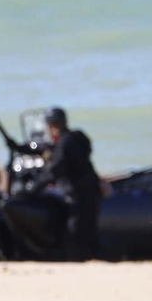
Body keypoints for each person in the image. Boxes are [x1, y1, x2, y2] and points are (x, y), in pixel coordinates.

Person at [42, 107, 109, 261]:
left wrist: (33, 188)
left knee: (76, 232)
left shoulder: (65, 144)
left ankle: (80, 260)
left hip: (78, 193)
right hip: (90, 189)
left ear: (51, 126)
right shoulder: (77, 138)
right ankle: (94, 257)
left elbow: (55, 170)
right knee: (89, 229)